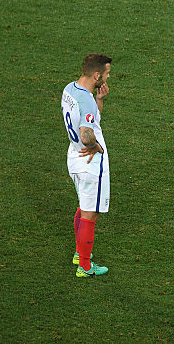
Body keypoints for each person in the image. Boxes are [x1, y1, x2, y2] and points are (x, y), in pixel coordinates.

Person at [61, 53, 113, 277]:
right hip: (91, 162)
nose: (109, 76)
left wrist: (99, 101)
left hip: (74, 157)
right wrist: (96, 147)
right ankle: (85, 266)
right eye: (107, 73)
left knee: (84, 206)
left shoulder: (70, 89)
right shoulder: (86, 100)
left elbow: (87, 119)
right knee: (90, 214)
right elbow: (86, 134)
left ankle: (79, 254)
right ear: (96, 74)